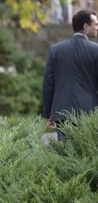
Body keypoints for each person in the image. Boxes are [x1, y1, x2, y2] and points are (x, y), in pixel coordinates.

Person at [42, 9, 98, 140]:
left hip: (62, 113)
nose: (97, 27)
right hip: (89, 113)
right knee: (86, 156)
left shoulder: (56, 50)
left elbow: (48, 84)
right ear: (85, 27)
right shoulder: (96, 51)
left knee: (67, 156)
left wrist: (48, 114)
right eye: (95, 24)